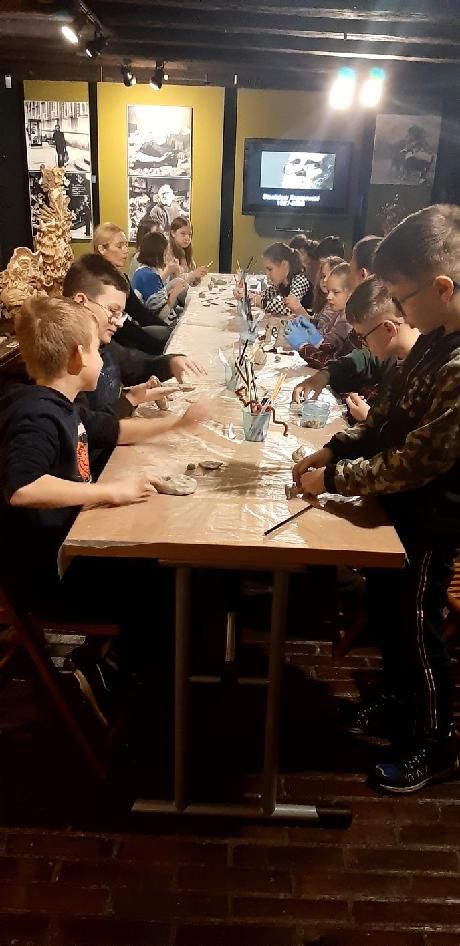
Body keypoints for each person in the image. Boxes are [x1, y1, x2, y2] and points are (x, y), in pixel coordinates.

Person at [293, 204, 460, 794]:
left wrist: (336, 480)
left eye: (401, 296)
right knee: (389, 613)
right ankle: (397, 700)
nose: (397, 309)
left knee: (418, 627)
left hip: (434, 519)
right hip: (400, 511)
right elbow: (386, 419)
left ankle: (435, 743)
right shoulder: (433, 341)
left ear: (441, 288)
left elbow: (416, 459)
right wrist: (333, 449)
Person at [0, 297, 208, 720]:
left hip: (68, 550)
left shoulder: (63, 405)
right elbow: (22, 487)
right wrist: (108, 492)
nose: (102, 357)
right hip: (48, 576)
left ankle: (129, 667)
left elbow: (113, 430)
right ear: (78, 356)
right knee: (167, 584)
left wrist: (178, 424)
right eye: (97, 349)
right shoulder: (36, 415)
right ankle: (111, 676)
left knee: (166, 568)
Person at [63, 254, 202, 416]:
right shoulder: (63, 361)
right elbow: (89, 424)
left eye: (120, 314)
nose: (119, 323)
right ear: (81, 302)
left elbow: (136, 367)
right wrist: (129, 401)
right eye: (113, 310)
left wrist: (171, 363)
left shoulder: (104, 345)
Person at [292, 276, 419, 423]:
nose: (362, 344)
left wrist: (370, 419)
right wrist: (325, 375)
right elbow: (364, 358)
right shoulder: (395, 356)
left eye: (362, 337)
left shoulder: (427, 372)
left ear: (388, 329)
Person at [93, 223, 172, 356]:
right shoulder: (100, 282)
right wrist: (156, 347)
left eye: (126, 245)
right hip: (113, 345)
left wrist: (170, 330)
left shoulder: (121, 277)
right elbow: (122, 330)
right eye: (119, 246)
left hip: (128, 333)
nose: (125, 250)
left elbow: (139, 312)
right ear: (102, 249)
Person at [286, 262, 353, 368]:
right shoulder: (340, 313)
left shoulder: (348, 320)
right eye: (329, 291)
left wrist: (303, 346)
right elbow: (331, 348)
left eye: (336, 292)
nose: (329, 297)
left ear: (351, 292)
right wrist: (316, 337)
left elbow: (333, 363)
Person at [132, 232, 189, 323]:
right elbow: (162, 314)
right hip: (154, 324)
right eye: (165, 254)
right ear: (157, 255)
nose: (167, 258)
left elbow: (156, 295)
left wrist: (173, 284)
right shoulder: (149, 276)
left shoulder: (143, 270)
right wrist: (175, 293)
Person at [254, 243, 311, 318]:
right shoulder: (282, 283)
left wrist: (262, 302)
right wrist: (248, 295)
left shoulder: (300, 280)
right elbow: (263, 295)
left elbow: (290, 308)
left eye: (270, 269)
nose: (267, 275)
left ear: (284, 265)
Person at [166, 217, 208, 286]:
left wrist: (198, 275)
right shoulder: (168, 252)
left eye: (190, 235)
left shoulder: (185, 251)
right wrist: (193, 275)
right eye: (183, 233)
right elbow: (174, 281)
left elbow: (191, 273)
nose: (187, 238)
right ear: (173, 233)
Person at [312, 255, 344, 323]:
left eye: (330, 276)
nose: (325, 280)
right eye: (323, 276)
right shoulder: (324, 302)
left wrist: (299, 310)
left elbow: (320, 327)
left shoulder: (335, 306)